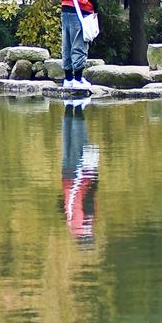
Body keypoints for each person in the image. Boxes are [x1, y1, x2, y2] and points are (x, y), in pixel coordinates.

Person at [62, 103, 98, 244]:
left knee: (79, 138)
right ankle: (69, 107)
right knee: (68, 140)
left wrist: (94, 174)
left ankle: (76, 106)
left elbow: (89, 195)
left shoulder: (84, 220)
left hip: (81, 176)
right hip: (66, 178)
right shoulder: (70, 221)